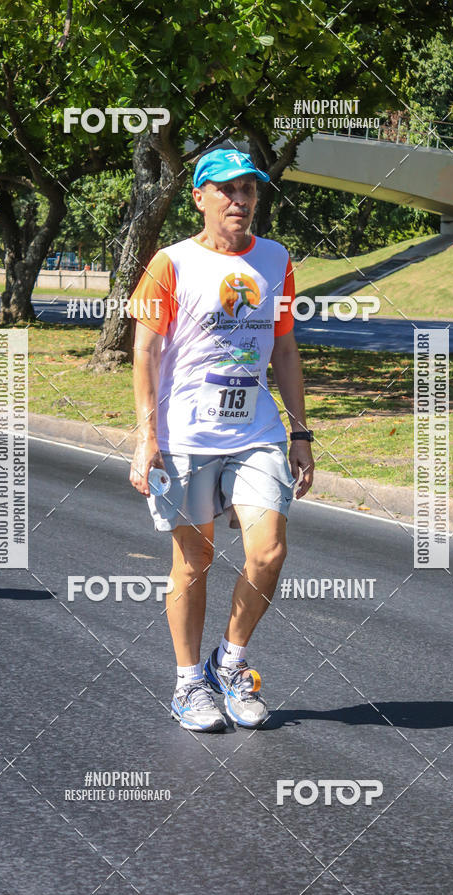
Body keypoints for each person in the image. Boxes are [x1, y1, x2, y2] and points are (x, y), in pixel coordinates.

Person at [129, 147, 314, 732]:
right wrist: (145, 436)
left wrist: (301, 431)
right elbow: (146, 349)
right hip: (186, 433)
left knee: (269, 549)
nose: (240, 201)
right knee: (195, 559)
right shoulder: (170, 262)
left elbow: (284, 349)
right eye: (227, 190)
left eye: (249, 191)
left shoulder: (277, 258)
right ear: (200, 198)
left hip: (256, 428)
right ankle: (188, 683)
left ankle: (229, 663)